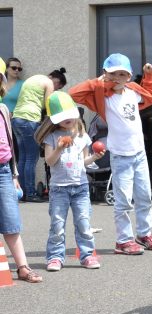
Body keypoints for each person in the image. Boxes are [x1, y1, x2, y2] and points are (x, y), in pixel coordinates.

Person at [69, 53, 152, 255]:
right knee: (123, 201)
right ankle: (123, 240)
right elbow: (74, 94)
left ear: (128, 76)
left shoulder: (132, 91)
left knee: (145, 196)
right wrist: (100, 82)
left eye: (122, 74)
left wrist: (148, 75)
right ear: (105, 74)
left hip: (139, 154)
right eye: (113, 73)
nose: (118, 78)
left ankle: (144, 234)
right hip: (121, 156)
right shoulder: (102, 95)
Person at [35, 91, 104, 271]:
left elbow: (84, 162)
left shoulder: (82, 136)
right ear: (54, 119)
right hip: (59, 189)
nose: (67, 119)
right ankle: (55, 257)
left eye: (70, 115)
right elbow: (50, 161)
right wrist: (58, 148)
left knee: (84, 223)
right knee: (57, 225)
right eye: (62, 117)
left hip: (80, 187)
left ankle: (87, 255)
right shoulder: (51, 137)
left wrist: (95, 157)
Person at [0, 59, 42, 283]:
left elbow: (9, 145)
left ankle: (23, 268)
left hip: (4, 171)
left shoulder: (4, 109)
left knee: (11, 221)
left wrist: (15, 174)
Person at [12, 67, 67, 202]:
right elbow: (49, 105)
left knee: (23, 157)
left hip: (17, 119)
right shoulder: (48, 83)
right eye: (57, 86)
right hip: (30, 119)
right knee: (31, 158)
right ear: (54, 79)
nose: (55, 89)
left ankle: (22, 192)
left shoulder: (32, 79)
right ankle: (30, 193)